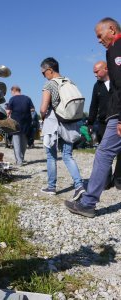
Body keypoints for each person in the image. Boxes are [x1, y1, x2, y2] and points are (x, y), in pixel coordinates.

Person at [65, 17, 121, 218]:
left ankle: (88, 203)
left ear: (112, 30)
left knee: (104, 153)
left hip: (118, 115)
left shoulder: (116, 49)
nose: (98, 40)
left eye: (100, 35)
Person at [40, 57, 85, 199]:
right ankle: (79, 186)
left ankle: (51, 187)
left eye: (43, 72)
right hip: (69, 123)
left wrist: (43, 116)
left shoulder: (49, 85)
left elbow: (43, 108)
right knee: (67, 155)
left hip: (54, 122)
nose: (43, 75)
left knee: (51, 156)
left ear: (49, 70)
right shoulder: (70, 81)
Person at [88, 60, 121, 188]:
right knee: (105, 153)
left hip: (117, 121)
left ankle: (118, 178)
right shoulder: (97, 86)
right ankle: (106, 181)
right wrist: (90, 123)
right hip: (102, 123)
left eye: (97, 71)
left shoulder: (116, 81)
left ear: (106, 69)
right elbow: (93, 105)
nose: (95, 74)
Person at [7, 85, 34, 165]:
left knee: (16, 143)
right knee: (24, 142)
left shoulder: (12, 99)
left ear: (13, 91)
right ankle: (21, 158)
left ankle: (19, 161)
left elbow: (8, 112)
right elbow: (32, 109)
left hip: (15, 124)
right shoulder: (27, 98)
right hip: (26, 123)